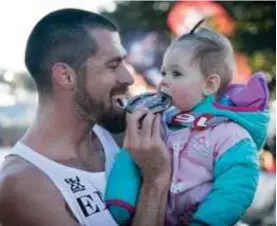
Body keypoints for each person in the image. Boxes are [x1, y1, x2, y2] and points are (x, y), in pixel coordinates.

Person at [0, 9, 171, 226]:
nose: (128, 77)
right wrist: (155, 181)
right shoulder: (25, 183)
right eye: (113, 65)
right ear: (66, 76)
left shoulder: (127, 139)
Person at [105, 20, 270, 226]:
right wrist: (121, 202)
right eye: (164, 72)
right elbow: (130, 156)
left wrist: (206, 221)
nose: (163, 81)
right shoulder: (159, 122)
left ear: (209, 84)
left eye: (176, 73)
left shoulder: (232, 136)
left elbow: (236, 187)